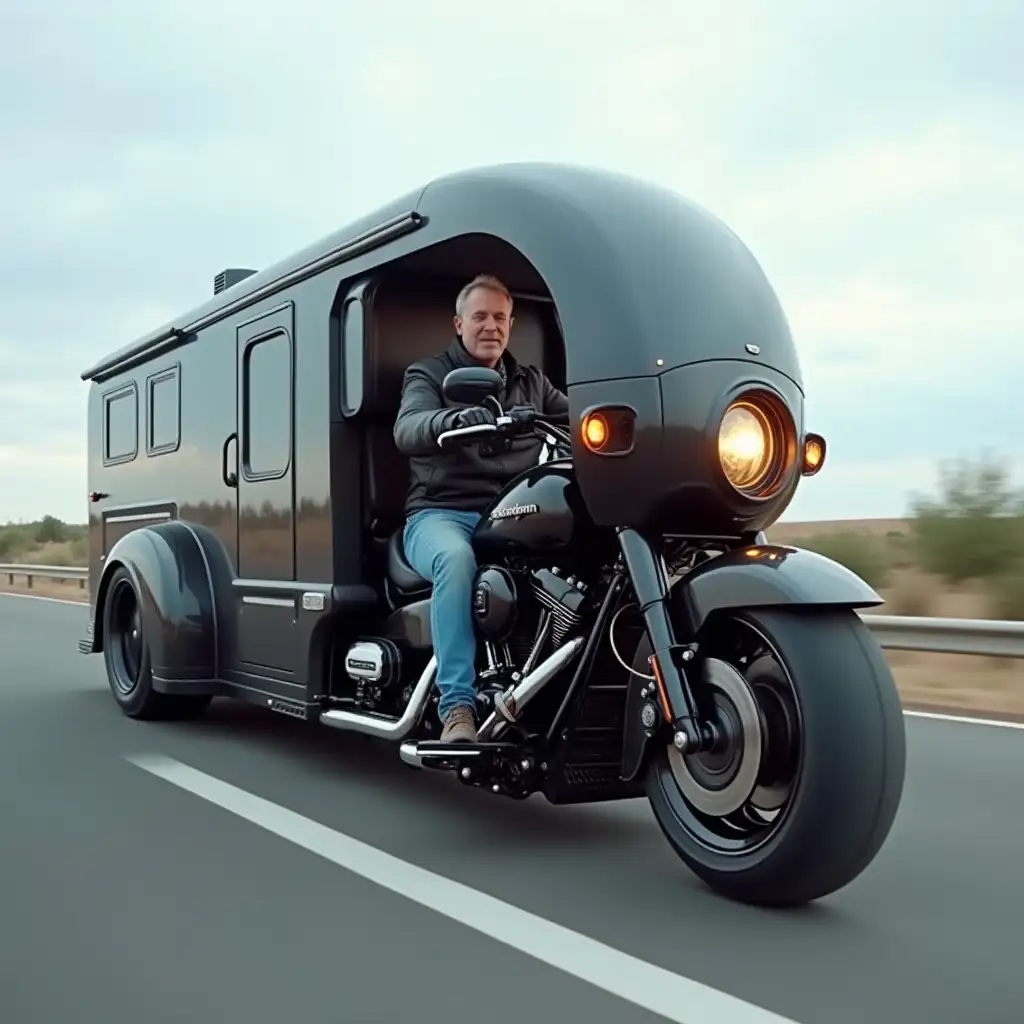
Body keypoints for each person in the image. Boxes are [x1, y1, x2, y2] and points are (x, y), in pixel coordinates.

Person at [392, 274, 569, 743]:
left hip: (509, 513)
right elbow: (408, 427)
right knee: (456, 560)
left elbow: (578, 414)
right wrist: (451, 419)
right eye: (480, 316)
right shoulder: (428, 375)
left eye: (500, 317)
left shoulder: (531, 383)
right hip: (440, 514)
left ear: (510, 325)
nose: (491, 326)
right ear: (459, 323)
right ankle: (457, 709)